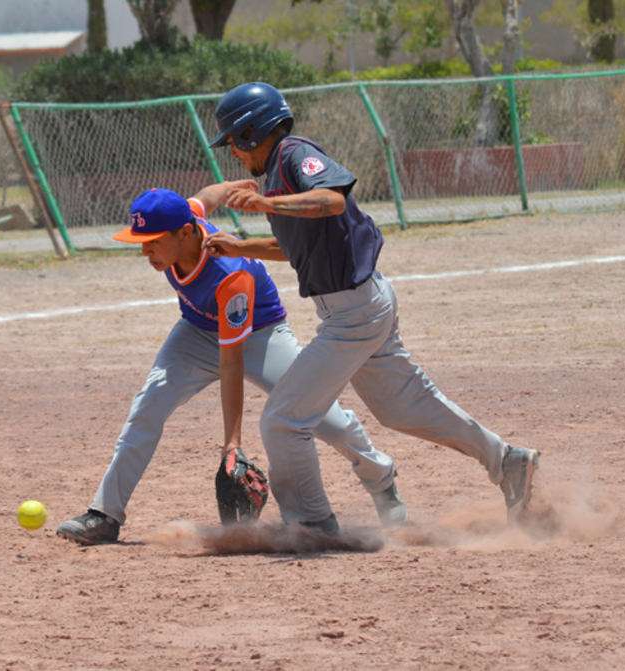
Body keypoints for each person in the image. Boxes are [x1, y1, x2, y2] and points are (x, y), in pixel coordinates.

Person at [201, 82, 541, 537]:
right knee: (402, 408)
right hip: (360, 306)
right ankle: (508, 461)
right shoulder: (277, 176)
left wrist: (266, 202)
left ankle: (310, 526)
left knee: (282, 420)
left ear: (250, 133)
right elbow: (297, 246)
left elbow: (333, 198)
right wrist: (242, 245)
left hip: (354, 314)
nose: (235, 157)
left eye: (234, 145)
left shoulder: (294, 155)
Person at [56, 185, 407, 545]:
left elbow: (232, 361)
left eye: (153, 241)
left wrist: (232, 443)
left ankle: (381, 477)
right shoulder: (183, 220)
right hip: (196, 330)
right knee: (148, 405)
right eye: (141, 241)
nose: (145, 251)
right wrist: (228, 187)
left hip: (258, 334)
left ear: (186, 233)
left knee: (324, 419)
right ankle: (105, 514)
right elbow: (205, 198)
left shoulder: (229, 273)